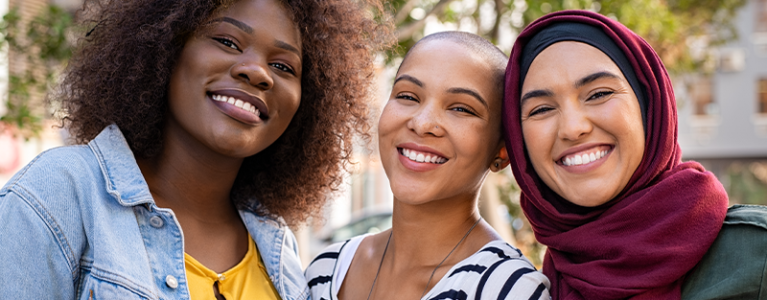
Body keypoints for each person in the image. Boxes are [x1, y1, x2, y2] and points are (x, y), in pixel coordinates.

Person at [0, 0, 392, 298]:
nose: (256, 71)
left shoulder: (276, 247)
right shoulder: (60, 194)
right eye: (226, 41)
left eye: (284, 67)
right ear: (166, 48)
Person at [503, 9, 767, 300]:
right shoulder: (527, 288)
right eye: (541, 109)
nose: (573, 128)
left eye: (599, 94)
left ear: (649, 106)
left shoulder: (755, 255)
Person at [305, 31, 551, 300]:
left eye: (461, 109)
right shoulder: (327, 269)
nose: (422, 123)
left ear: (503, 151)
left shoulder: (510, 289)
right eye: (408, 96)